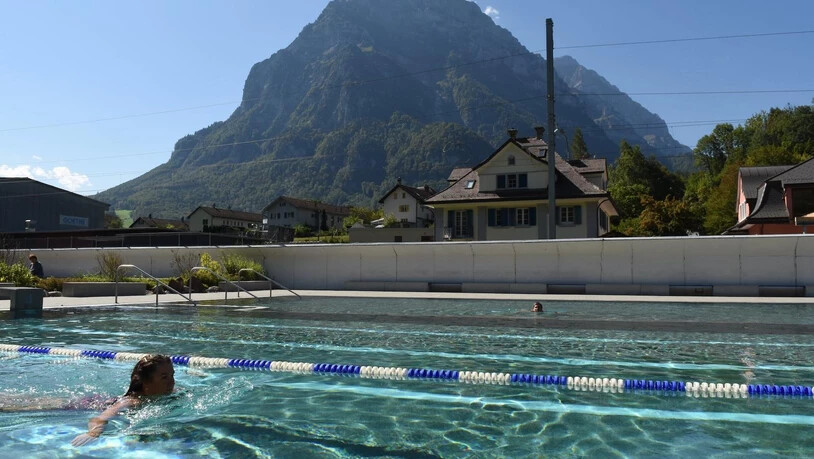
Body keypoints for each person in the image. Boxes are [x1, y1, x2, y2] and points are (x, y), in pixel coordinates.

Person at [71, 354, 175, 447]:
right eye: (164, 377)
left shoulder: (170, 393)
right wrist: (93, 433)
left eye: (172, 375)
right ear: (146, 381)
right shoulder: (131, 402)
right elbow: (100, 418)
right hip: (84, 405)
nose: (172, 382)